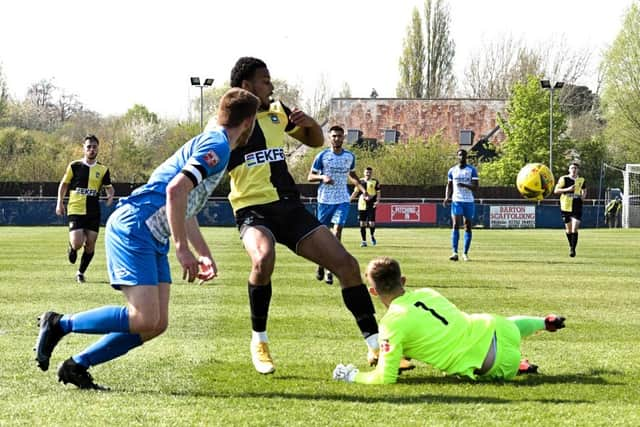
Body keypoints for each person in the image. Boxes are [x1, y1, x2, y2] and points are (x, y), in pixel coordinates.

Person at [34, 88, 260, 390]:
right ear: (248, 122)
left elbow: (185, 205)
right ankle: (59, 324)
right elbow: (174, 191)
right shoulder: (217, 145)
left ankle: (77, 365)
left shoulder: (214, 142)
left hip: (152, 233)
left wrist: (203, 252)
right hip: (135, 225)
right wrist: (182, 249)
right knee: (142, 317)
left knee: (156, 323)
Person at [221, 56, 384, 375]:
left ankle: (376, 346)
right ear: (246, 86)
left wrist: (308, 122)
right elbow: (211, 162)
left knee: (347, 266)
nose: (271, 86)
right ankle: (260, 340)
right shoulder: (228, 122)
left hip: (288, 206)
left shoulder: (278, 110)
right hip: (252, 209)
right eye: (265, 80)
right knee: (262, 259)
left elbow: (314, 141)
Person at [332, 256, 567, 385]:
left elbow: (385, 378)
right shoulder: (428, 293)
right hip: (499, 327)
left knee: (472, 357)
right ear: (403, 280)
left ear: (373, 292)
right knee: (488, 325)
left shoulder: (391, 324)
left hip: (495, 363)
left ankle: (519, 365)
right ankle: (542, 322)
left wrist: (351, 376)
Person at [308, 125, 366, 284]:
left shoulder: (350, 156)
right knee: (322, 237)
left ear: (343, 138)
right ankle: (321, 264)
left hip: (342, 198)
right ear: (330, 137)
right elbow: (310, 176)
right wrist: (322, 178)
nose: (337, 139)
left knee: (337, 231)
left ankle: (329, 269)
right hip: (325, 199)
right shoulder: (322, 156)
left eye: (340, 136)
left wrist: (363, 190)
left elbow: (353, 175)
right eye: (334, 136)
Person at [56, 135, 115, 283]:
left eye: (94, 147)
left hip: (93, 210)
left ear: (98, 149)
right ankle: (72, 247)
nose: (91, 149)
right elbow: (64, 184)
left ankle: (80, 272)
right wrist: (59, 202)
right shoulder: (74, 166)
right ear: (84, 148)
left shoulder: (102, 169)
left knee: (90, 244)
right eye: (88, 147)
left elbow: (109, 187)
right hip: (75, 208)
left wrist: (110, 196)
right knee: (77, 242)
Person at [443, 149, 478, 262]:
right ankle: (454, 252)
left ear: (466, 157)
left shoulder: (471, 170)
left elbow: (476, 186)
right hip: (456, 200)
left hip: (468, 201)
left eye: (463, 155)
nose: (461, 157)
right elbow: (449, 185)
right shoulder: (452, 170)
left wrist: (464, 185)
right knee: (455, 224)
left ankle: (465, 253)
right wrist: (447, 197)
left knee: (467, 226)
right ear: (457, 157)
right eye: (459, 155)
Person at [554, 162, 586, 257]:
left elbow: (584, 189)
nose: (574, 169)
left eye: (575, 168)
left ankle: (573, 249)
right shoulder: (564, 179)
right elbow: (556, 191)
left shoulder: (581, 180)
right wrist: (568, 189)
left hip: (577, 206)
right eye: (572, 168)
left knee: (575, 227)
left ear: (578, 170)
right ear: (569, 169)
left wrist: (583, 196)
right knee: (568, 230)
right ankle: (571, 245)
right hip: (566, 206)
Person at [351, 166, 381, 247]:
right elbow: (355, 192)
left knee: (371, 223)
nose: (368, 174)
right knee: (362, 223)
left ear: (372, 173)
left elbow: (378, 193)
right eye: (367, 172)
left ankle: (372, 235)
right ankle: (364, 241)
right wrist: (349, 200)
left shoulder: (375, 181)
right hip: (362, 205)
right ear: (364, 173)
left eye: (370, 172)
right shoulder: (359, 181)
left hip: (371, 204)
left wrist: (377, 201)